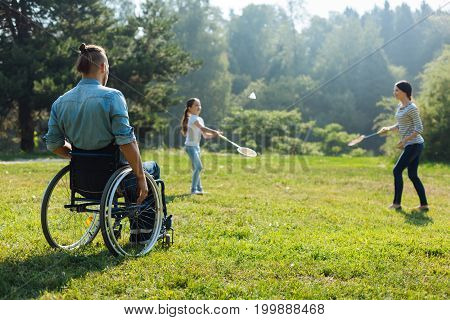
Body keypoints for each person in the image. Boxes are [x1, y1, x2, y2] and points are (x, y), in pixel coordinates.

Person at [45, 43, 158, 204]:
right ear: (103, 67)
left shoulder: (60, 102)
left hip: (83, 183)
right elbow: (126, 142)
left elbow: (53, 144)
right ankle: (144, 228)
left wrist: (80, 156)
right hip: (113, 181)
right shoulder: (112, 96)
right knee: (153, 168)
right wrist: (141, 177)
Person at [378, 80, 429, 211]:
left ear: (404, 92)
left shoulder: (412, 108)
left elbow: (419, 128)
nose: (394, 93)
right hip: (410, 144)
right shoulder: (400, 107)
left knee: (397, 170)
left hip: (415, 144)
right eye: (394, 90)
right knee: (412, 175)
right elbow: (401, 125)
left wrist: (405, 140)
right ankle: (424, 205)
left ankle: (396, 204)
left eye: (396, 90)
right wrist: (388, 129)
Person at [180, 98, 221, 195]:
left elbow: (205, 135)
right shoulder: (192, 119)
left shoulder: (200, 119)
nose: (199, 107)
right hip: (190, 147)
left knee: (196, 168)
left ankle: (199, 188)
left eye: (199, 105)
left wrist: (215, 135)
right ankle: (193, 190)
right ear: (189, 108)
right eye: (196, 105)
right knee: (198, 167)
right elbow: (202, 128)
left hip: (197, 147)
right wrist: (214, 131)